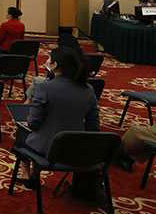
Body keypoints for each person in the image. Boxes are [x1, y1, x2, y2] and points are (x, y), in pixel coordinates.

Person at [14, 48, 99, 181]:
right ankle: (33, 175)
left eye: (49, 58)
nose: (46, 61)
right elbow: (93, 126)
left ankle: (27, 173)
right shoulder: (89, 90)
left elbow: (33, 124)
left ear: (54, 65)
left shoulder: (45, 88)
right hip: (76, 148)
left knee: (22, 131)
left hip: (49, 148)